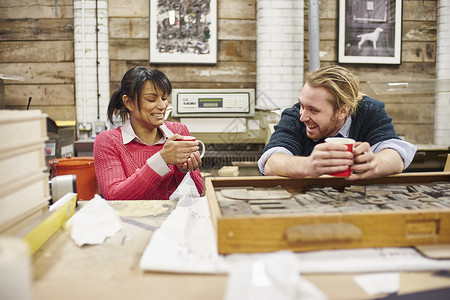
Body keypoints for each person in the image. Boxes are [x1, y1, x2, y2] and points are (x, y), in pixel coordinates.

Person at [258, 65, 417, 180]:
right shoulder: (294, 116)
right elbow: (272, 162)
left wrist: (375, 163)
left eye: (313, 110)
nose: (303, 116)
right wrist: (308, 165)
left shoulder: (369, 111)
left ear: (342, 111)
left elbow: (396, 154)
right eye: (302, 105)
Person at [94, 66, 204, 200]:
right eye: (151, 99)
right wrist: (161, 159)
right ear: (129, 103)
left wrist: (183, 170)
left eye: (164, 98)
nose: (162, 106)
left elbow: (198, 190)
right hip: (130, 220)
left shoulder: (178, 132)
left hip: (174, 218)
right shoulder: (109, 141)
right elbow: (114, 197)